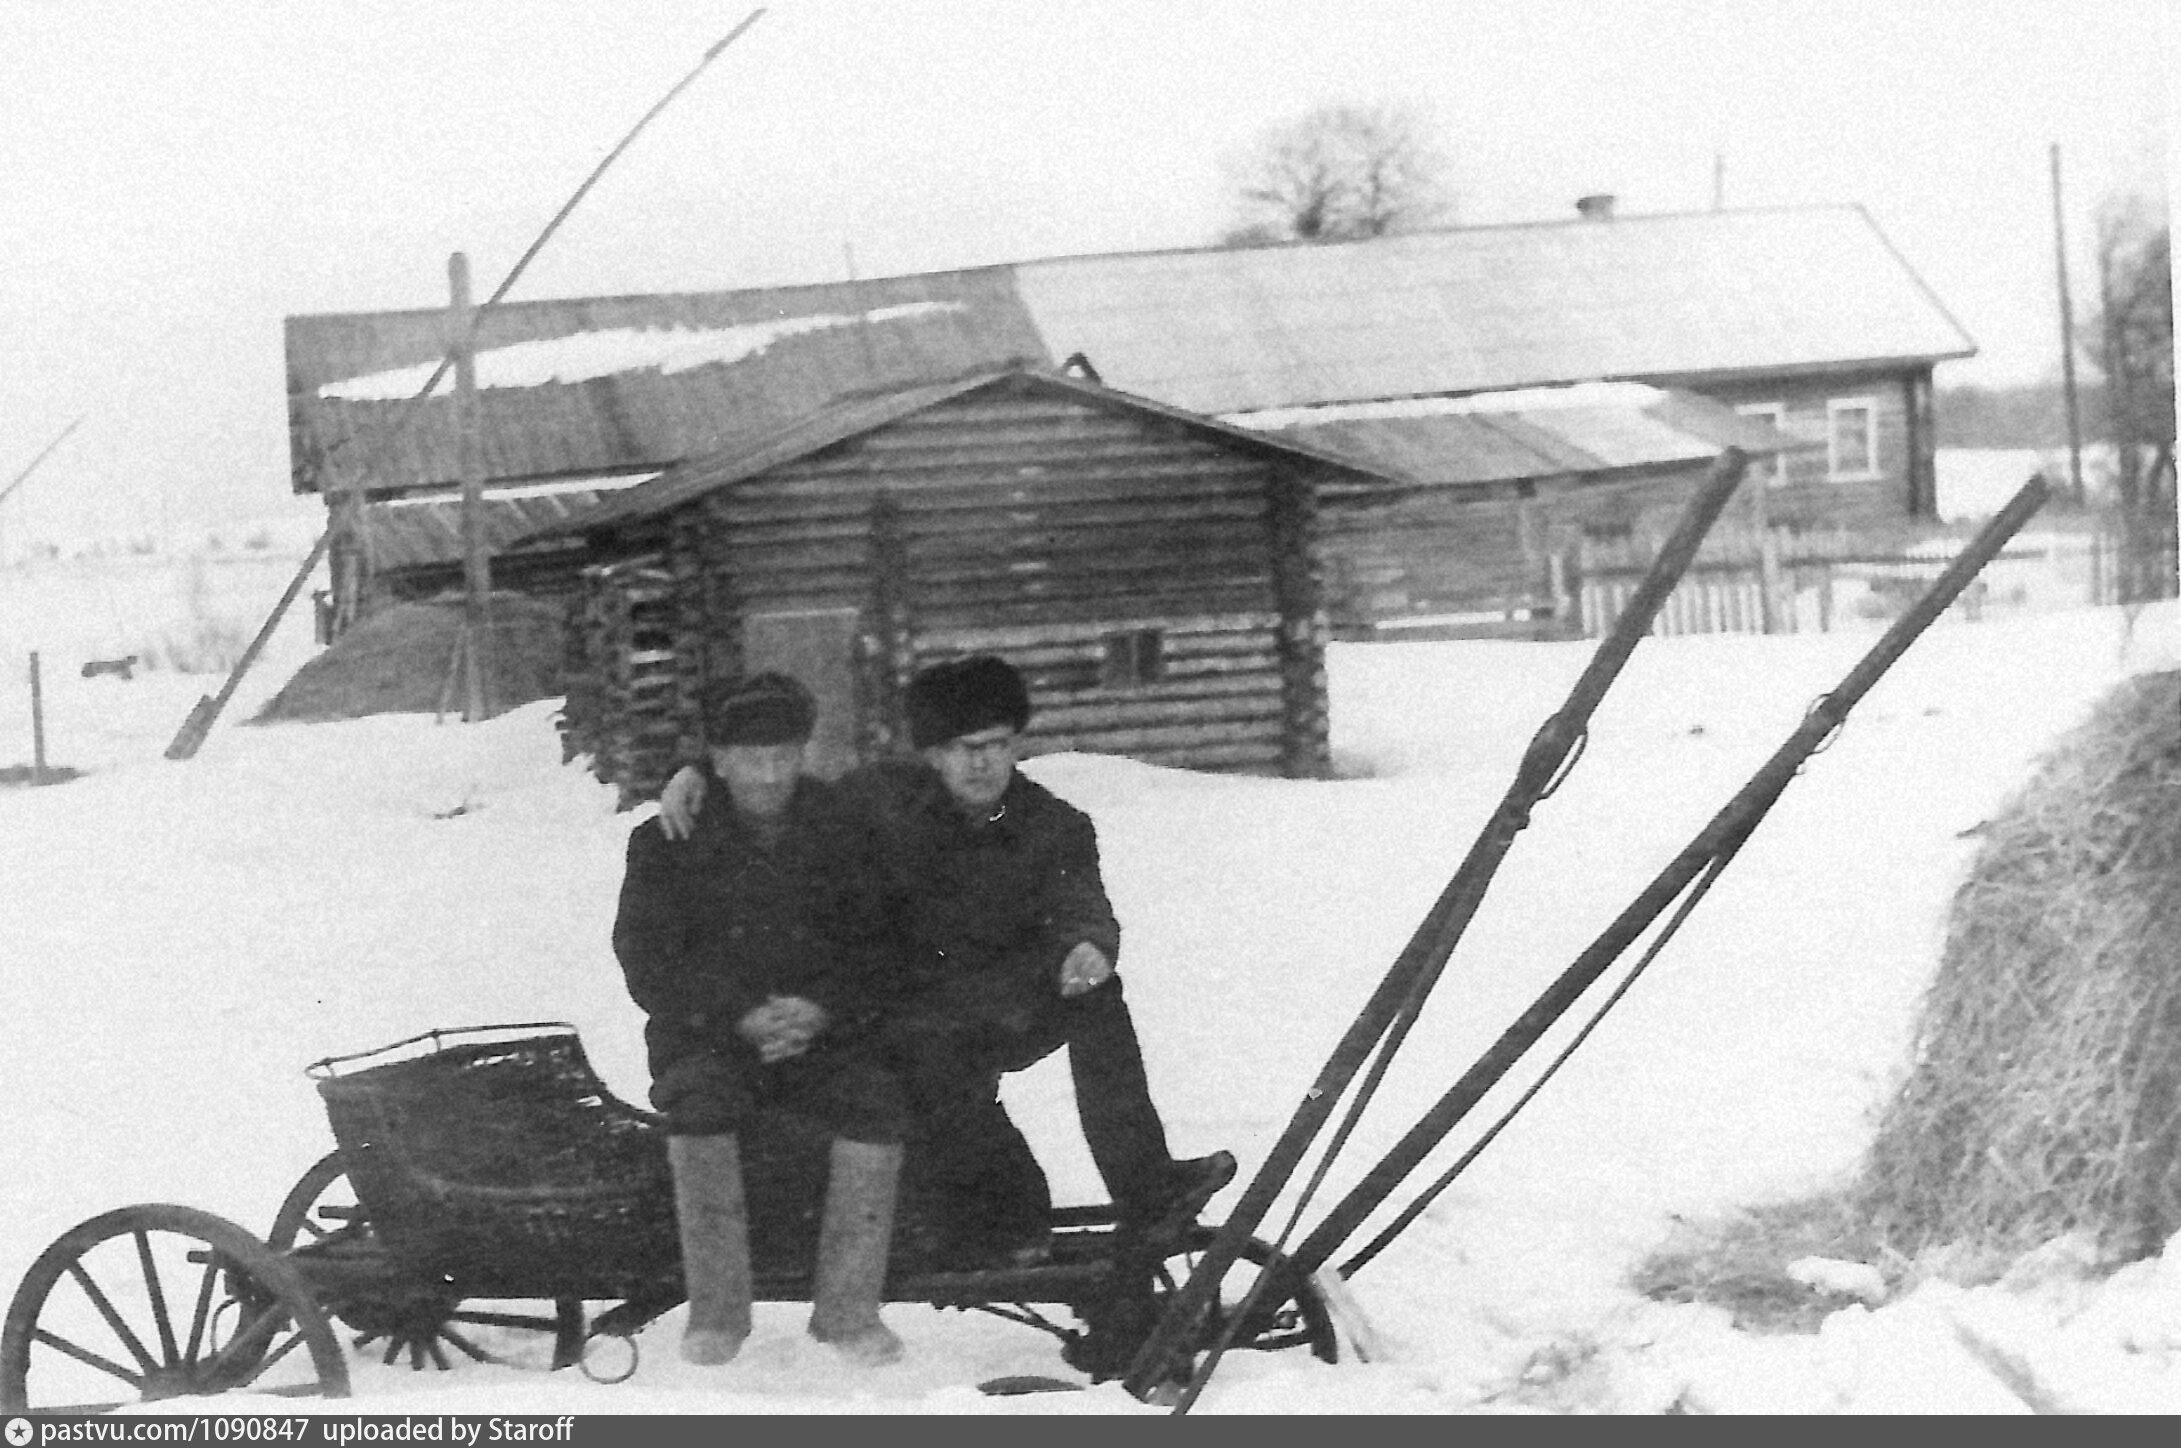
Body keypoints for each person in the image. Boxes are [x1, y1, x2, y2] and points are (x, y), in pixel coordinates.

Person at [659, 655, 1234, 1264]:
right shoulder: (881, 802)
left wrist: (1088, 947)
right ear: (932, 754)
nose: (982, 763)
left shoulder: (1055, 826)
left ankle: (1146, 1184)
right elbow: (772, 781)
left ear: (1016, 745)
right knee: (932, 1056)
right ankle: (1014, 1217)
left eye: (996, 745)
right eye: (964, 748)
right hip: (904, 1006)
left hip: (1008, 1000)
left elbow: (1080, 903)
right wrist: (696, 772)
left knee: (1100, 1000)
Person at [612, 672, 910, 1368]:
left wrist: (822, 1009)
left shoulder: (845, 826)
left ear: (803, 752)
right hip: (708, 1040)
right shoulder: (666, 839)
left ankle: (847, 1312)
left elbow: (882, 944)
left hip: (823, 1037)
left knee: (876, 1101)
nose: (770, 774)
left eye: (783, 755)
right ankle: (717, 1315)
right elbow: (647, 960)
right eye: (751, 758)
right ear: (717, 760)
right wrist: (737, 1017)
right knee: (702, 1104)